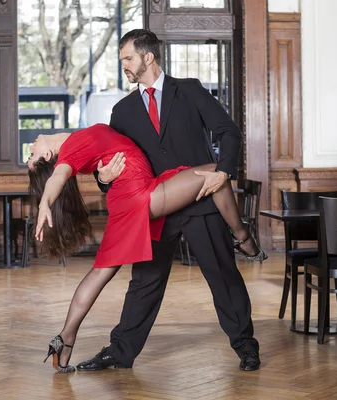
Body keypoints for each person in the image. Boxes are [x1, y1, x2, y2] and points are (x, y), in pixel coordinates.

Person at [76, 29, 263, 373]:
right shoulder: (122, 112)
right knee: (144, 282)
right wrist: (103, 179)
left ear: (148, 57)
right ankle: (120, 352)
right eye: (122, 61)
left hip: (201, 204)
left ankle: (246, 347)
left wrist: (224, 172)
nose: (124, 66)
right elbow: (115, 169)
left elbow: (228, 132)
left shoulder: (189, 91)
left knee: (222, 275)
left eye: (128, 58)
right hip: (154, 210)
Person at [27, 123, 265, 372]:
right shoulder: (69, 151)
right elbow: (58, 176)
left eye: (30, 154)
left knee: (101, 272)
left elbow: (97, 162)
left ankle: (65, 339)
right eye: (33, 156)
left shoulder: (76, 139)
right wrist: (45, 203)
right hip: (140, 194)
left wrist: (102, 176)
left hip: (128, 198)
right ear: (47, 156)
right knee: (218, 172)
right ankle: (242, 238)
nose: (31, 148)